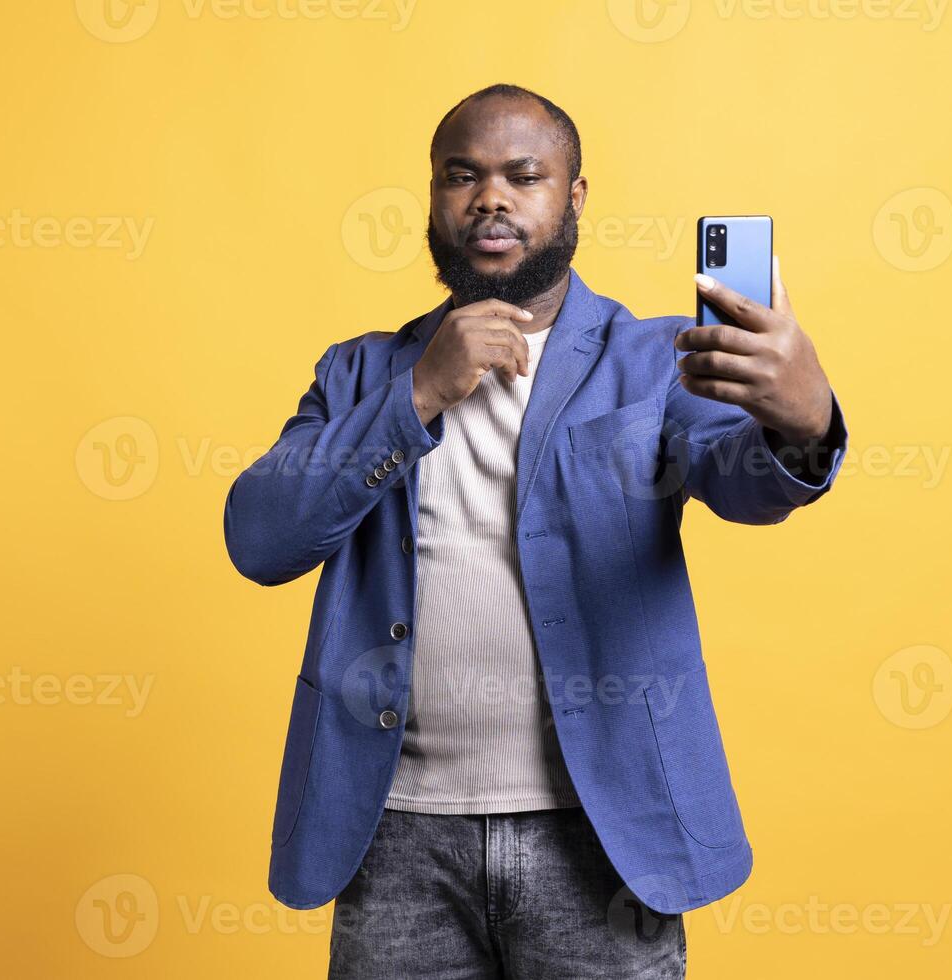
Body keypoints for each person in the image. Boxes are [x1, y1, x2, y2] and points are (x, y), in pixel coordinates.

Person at [223, 82, 848, 978]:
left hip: (602, 835)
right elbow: (261, 538)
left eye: (524, 175)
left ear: (574, 197)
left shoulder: (656, 360)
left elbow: (746, 483)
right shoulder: (360, 373)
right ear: (435, 197)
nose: (491, 197)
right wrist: (419, 395)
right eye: (461, 176)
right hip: (394, 834)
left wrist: (804, 420)